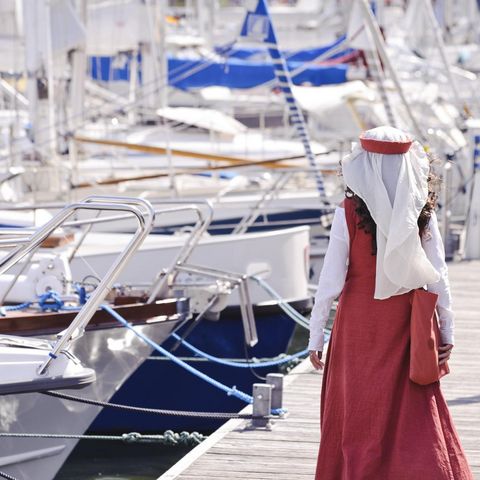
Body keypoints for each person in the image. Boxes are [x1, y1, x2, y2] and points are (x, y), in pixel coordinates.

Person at [308, 126, 474, 479]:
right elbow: (437, 275)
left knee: (358, 409)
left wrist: (315, 335)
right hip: (406, 320)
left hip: (358, 325)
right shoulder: (421, 212)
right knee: (412, 408)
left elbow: (330, 281)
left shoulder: (348, 211)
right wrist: (447, 331)